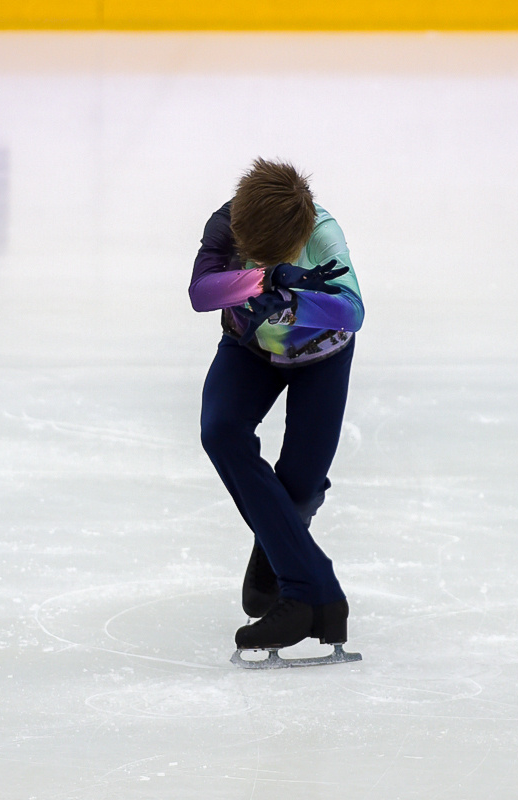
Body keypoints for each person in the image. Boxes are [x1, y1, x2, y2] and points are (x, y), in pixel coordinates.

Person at [189, 158, 364, 652]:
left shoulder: (322, 232)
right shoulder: (227, 223)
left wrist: (299, 300)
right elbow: (202, 293)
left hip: (321, 358)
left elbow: (353, 311)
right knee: (220, 429)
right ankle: (317, 594)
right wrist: (264, 281)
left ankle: (280, 554)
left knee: (299, 490)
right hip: (252, 350)